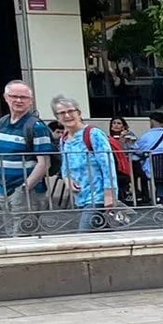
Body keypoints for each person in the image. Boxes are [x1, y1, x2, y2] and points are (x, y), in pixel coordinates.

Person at [0, 80, 55, 236]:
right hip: (4, 190)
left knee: (23, 237)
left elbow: (44, 163)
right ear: (5, 97)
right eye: (14, 96)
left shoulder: (36, 126)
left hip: (26, 192)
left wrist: (24, 188)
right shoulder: (2, 123)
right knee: (11, 234)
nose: (18, 100)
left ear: (31, 101)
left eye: (23, 97)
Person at [52, 95, 118, 231]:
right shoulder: (64, 138)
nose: (67, 115)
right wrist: (67, 178)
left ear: (79, 113)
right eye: (62, 113)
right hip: (81, 198)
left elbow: (107, 165)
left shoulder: (93, 134)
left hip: (97, 198)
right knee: (103, 239)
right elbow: (65, 165)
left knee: (84, 236)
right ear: (57, 117)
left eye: (71, 111)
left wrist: (109, 194)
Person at [131, 113, 163, 205]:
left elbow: (136, 149)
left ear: (153, 122)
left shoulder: (146, 136)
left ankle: (150, 197)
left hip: (152, 170)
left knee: (140, 167)